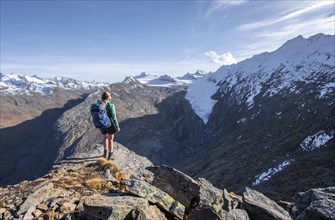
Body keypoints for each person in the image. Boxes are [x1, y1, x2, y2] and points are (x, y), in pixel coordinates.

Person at [99, 91, 120, 160]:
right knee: (110, 139)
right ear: (108, 97)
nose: (111, 96)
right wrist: (117, 126)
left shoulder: (99, 104)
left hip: (102, 124)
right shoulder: (111, 105)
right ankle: (110, 155)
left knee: (105, 138)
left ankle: (105, 153)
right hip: (109, 124)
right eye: (110, 95)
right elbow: (114, 117)